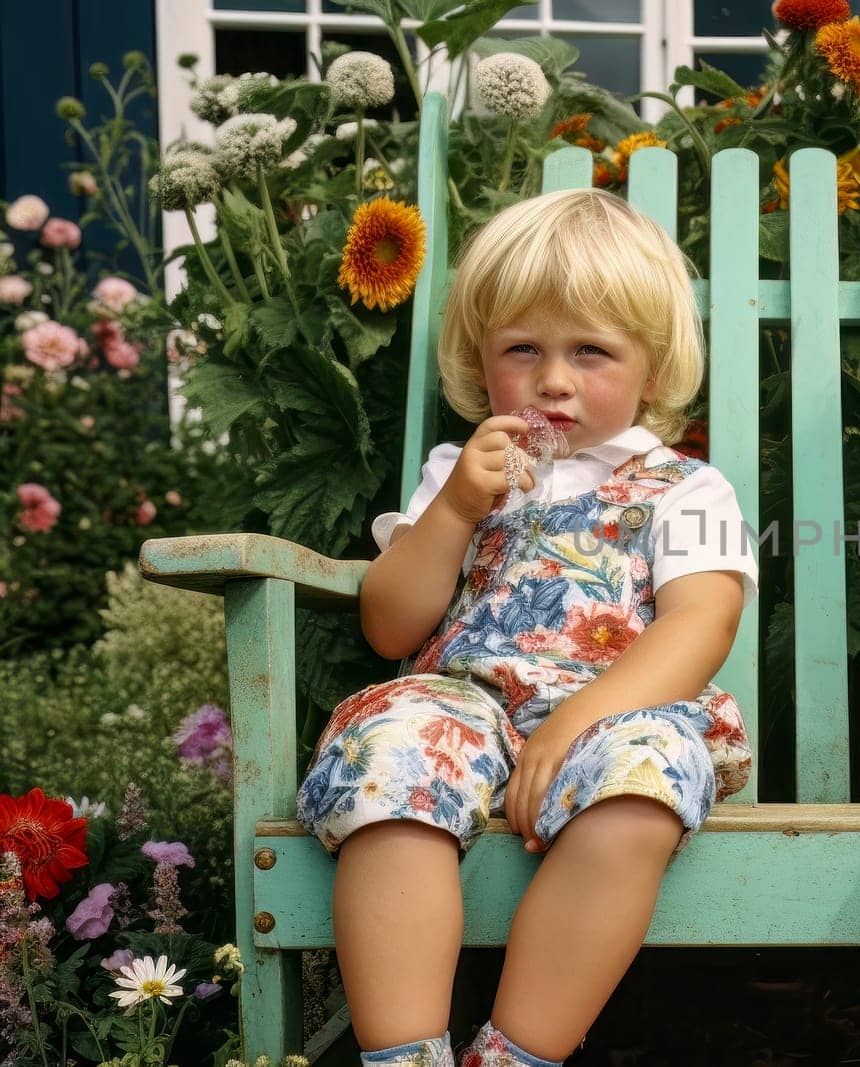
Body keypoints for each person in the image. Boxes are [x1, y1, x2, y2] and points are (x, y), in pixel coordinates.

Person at [297, 189, 756, 1067]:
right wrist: (460, 506)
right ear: (482, 362)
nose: (553, 379)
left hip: (619, 712)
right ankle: (404, 1056)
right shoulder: (457, 472)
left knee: (641, 788)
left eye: (591, 350)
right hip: (464, 707)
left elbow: (700, 626)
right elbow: (392, 625)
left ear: (652, 368)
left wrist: (582, 719)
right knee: (390, 749)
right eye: (523, 349)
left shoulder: (687, 486)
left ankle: (511, 1056)